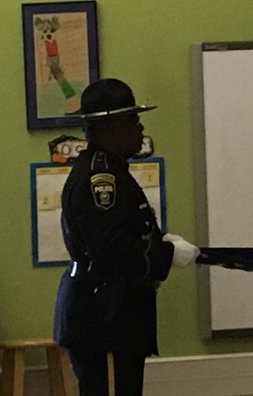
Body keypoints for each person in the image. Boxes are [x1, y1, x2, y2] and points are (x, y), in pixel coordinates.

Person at [53, 78, 200, 396]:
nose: (140, 127)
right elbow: (112, 253)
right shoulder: (100, 179)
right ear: (108, 128)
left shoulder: (111, 170)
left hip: (111, 316)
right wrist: (165, 253)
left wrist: (161, 243)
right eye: (132, 120)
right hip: (104, 320)